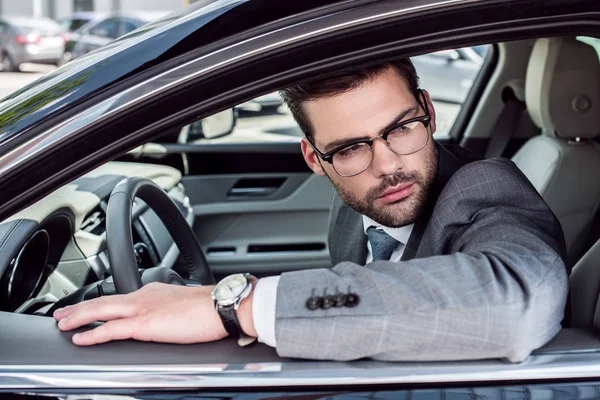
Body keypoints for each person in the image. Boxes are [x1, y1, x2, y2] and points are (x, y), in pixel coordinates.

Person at [53, 59, 569, 362]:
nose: (387, 166)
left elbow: (520, 299)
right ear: (314, 158)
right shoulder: (350, 211)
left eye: (402, 128)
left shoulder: (484, 185)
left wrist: (236, 306)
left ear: (430, 113)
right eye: (348, 149)